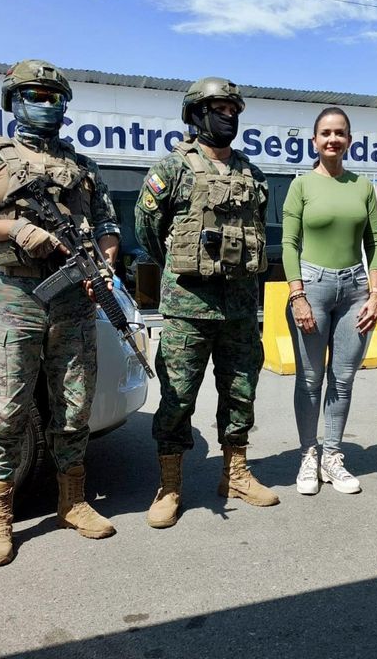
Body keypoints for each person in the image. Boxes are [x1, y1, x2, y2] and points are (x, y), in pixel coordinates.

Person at [0, 59, 120, 567]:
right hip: (15, 299)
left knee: (74, 407)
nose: (45, 105)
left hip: (73, 301)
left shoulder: (82, 166)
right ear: (13, 100)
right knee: (6, 410)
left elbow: (107, 224)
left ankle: (72, 501)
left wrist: (105, 260)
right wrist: (15, 229)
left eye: (53, 97)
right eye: (34, 95)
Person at [135, 77, 278, 529]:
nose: (228, 116)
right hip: (187, 308)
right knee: (177, 399)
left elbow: (258, 227)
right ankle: (169, 486)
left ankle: (235, 475)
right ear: (196, 114)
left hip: (239, 307)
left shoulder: (252, 173)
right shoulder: (172, 168)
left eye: (233, 109)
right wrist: (183, 267)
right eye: (219, 109)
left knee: (241, 392)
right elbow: (147, 229)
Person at [282, 107, 377, 495]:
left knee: (343, 378)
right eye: (325, 133)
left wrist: (375, 294)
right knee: (310, 380)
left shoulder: (362, 187)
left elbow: (375, 244)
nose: (332, 139)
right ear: (314, 140)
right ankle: (308, 455)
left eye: (340, 133)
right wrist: (297, 296)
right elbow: (289, 244)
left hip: (356, 289)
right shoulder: (301, 186)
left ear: (349, 140)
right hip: (312, 287)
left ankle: (333, 456)